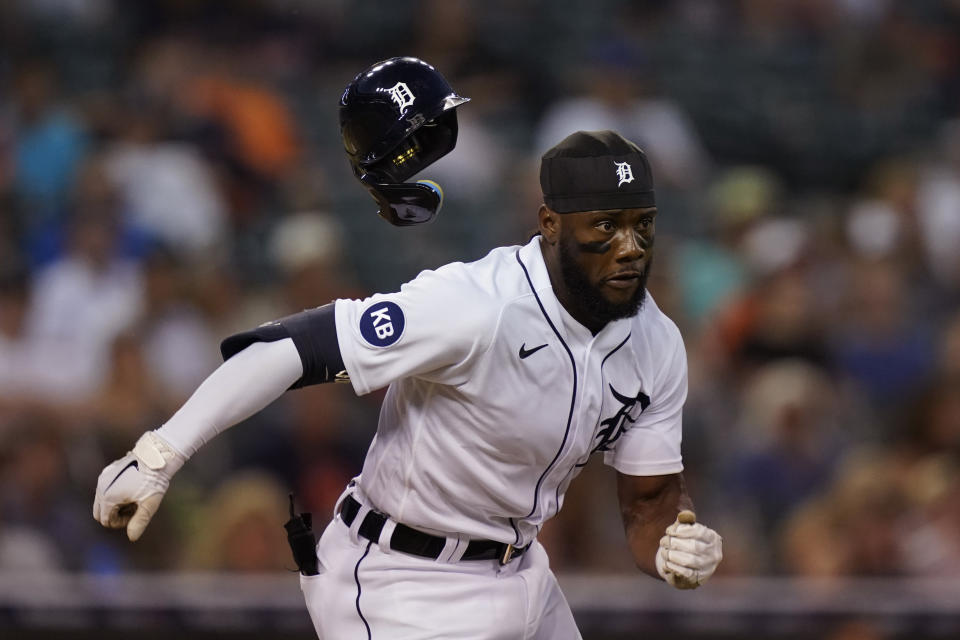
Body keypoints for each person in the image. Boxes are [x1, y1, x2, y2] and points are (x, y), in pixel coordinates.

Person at [93, 57, 722, 640]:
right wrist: (161, 452)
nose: (630, 246)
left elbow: (651, 503)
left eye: (643, 224)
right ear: (551, 224)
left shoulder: (656, 342)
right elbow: (296, 347)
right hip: (405, 580)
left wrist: (675, 546)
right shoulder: (476, 305)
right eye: (604, 227)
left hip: (525, 573)